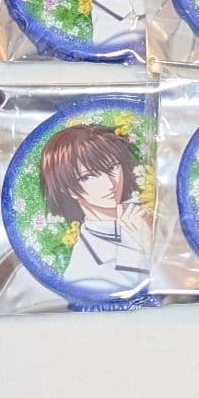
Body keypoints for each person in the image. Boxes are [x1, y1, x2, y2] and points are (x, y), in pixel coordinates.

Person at [39, 124, 151, 294]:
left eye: (112, 167)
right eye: (88, 177)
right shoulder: (84, 274)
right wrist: (148, 244)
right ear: (66, 188)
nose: (109, 184)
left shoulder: (147, 208)